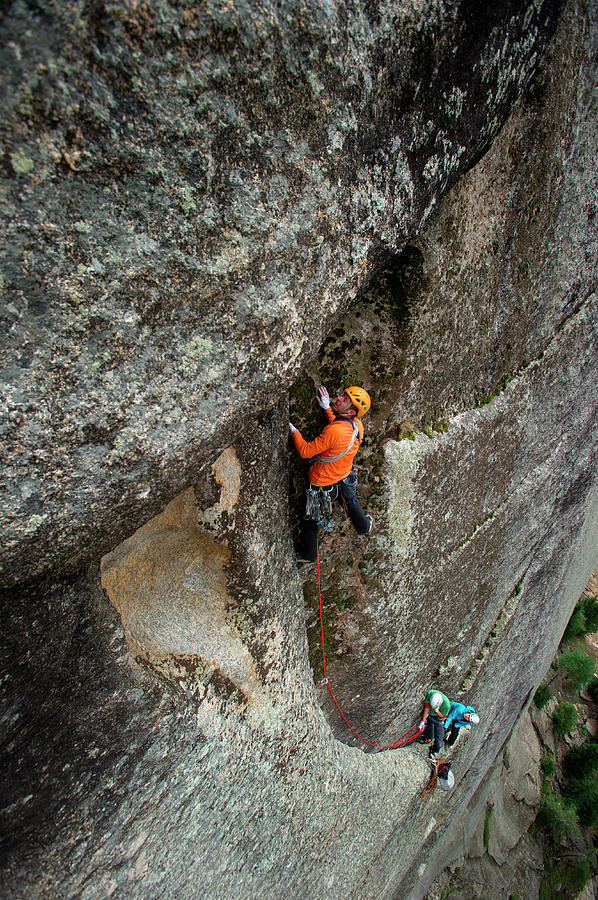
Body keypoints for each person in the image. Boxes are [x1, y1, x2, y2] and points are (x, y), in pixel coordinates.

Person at [289, 385, 372, 563]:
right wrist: (327, 409)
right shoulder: (358, 425)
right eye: (344, 395)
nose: (340, 398)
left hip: (322, 481)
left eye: (345, 400)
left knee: (309, 519)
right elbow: (341, 430)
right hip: (343, 474)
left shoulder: (335, 430)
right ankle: (364, 526)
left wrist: (294, 431)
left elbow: (305, 451)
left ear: (351, 412)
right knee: (349, 499)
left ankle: (310, 556)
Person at [418, 689, 450, 760]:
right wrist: (423, 721)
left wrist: (437, 711)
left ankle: (434, 751)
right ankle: (428, 738)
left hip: (439, 719)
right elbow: (427, 707)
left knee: (439, 742)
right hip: (430, 715)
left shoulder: (446, 705)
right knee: (429, 727)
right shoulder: (431, 693)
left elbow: (443, 716)